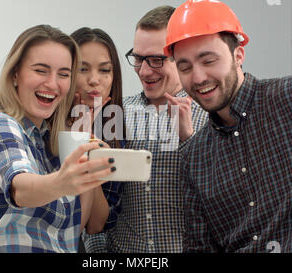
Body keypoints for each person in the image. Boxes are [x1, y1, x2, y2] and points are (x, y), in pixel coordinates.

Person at [164, 0, 292, 253]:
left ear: (238, 55)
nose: (197, 77)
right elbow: (199, 247)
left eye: (208, 61)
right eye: (185, 67)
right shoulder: (193, 157)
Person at [0, 24, 116, 253]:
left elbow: (70, 233)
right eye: (41, 71)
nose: (52, 84)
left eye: (63, 74)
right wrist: (61, 182)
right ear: (15, 74)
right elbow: (21, 189)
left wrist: (84, 148)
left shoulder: (47, 144)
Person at [86, 6, 208, 253]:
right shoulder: (113, 113)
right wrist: (97, 251)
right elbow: (92, 194)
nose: (144, 71)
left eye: (156, 60)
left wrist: (189, 140)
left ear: (181, 56)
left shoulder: (208, 115)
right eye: (138, 58)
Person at [67, 27, 125, 252]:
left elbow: (96, 224)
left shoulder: (113, 131)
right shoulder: (44, 123)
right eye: (83, 69)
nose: (94, 80)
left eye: (104, 70)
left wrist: (87, 145)